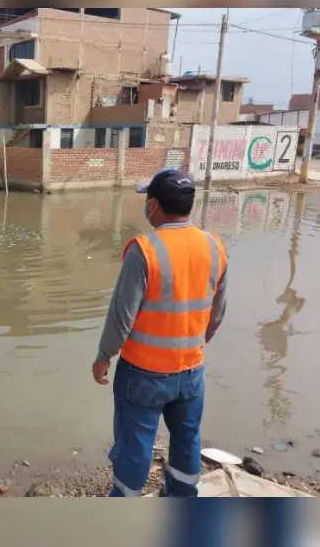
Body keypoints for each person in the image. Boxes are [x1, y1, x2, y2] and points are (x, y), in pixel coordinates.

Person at [93, 169, 228, 498]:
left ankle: (126, 501)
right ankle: (182, 497)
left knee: (135, 443)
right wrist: (194, 345)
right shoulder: (214, 246)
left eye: (146, 201)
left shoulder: (144, 250)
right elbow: (218, 313)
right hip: (192, 372)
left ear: (153, 204)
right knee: (187, 438)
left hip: (144, 374)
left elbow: (120, 317)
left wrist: (103, 356)